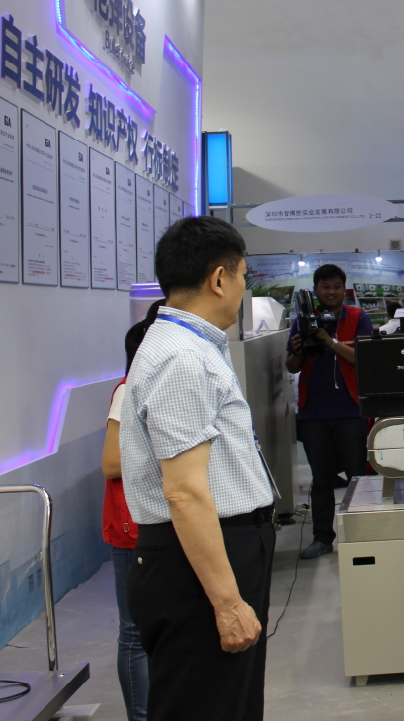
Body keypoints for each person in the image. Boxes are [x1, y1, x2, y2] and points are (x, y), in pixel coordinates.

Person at [122, 216, 276, 721]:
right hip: (196, 564)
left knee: (230, 703)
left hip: (219, 550)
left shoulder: (193, 346)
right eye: (244, 276)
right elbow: (184, 491)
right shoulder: (181, 359)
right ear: (219, 279)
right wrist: (227, 602)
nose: (244, 289)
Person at [285, 264, 373, 559]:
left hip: (350, 409)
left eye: (336, 286)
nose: (331, 292)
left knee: (356, 476)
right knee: (321, 479)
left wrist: (330, 342)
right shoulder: (303, 320)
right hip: (313, 413)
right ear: (315, 290)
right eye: (325, 287)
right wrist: (298, 349)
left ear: (344, 289)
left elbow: (363, 358)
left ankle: (361, 535)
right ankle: (322, 538)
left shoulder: (358, 317)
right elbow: (291, 366)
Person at [102, 300, 162, 721]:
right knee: (134, 631)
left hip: (158, 522)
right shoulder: (128, 389)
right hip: (131, 528)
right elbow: (111, 463)